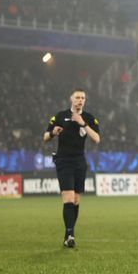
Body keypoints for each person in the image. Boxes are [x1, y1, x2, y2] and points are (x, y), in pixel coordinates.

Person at [43, 88, 101, 248]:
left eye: (82, 98)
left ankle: (68, 234)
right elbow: (45, 137)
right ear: (71, 99)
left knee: (75, 200)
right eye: (77, 97)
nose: (80, 100)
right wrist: (53, 133)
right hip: (64, 161)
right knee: (68, 198)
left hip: (79, 162)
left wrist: (83, 124)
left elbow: (97, 139)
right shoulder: (60, 116)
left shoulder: (89, 118)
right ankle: (70, 235)